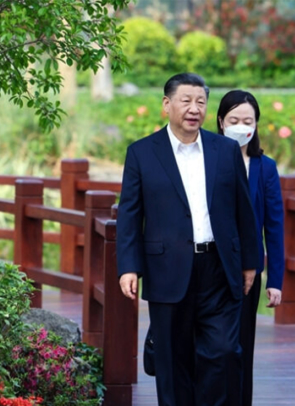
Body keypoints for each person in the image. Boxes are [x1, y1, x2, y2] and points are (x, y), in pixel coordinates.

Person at [116, 73, 259, 406]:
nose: (195, 109)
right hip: (167, 269)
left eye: (201, 102)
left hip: (219, 267)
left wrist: (250, 262)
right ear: (167, 104)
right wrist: (128, 267)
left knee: (223, 352)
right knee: (172, 359)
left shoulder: (225, 149)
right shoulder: (142, 153)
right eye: (186, 101)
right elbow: (130, 215)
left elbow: (243, 209)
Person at [216, 90, 285, 406]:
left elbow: (274, 225)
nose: (240, 127)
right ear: (221, 121)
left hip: (246, 271)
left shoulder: (264, 167)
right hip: (207, 265)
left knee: (241, 343)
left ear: (256, 125)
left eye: (248, 121)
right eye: (234, 120)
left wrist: (275, 280)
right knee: (209, 344)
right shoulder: (205, 160)